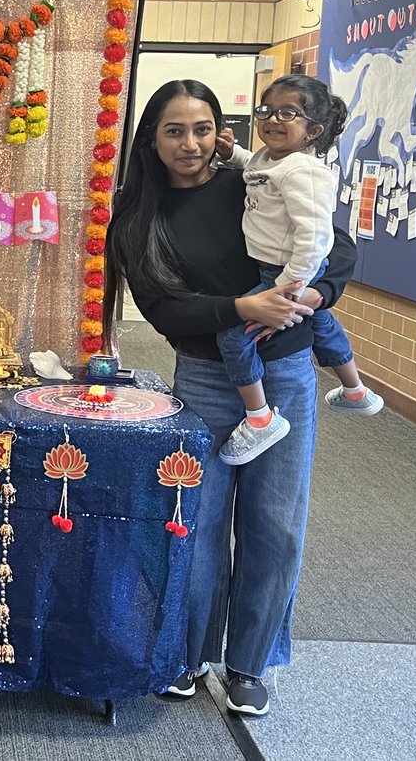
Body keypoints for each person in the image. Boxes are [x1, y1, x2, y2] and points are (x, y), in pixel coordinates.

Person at [104, 80, 357, 716]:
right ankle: (185, 654)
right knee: (197, 522)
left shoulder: (258, 180)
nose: (190, 144)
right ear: (151, 139)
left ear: (221, 131)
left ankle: (250, 663)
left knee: (274, 523)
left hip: (287, 371)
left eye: (202, 128)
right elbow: (164, 309)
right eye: (173, 130)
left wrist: (312, 298)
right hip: (205, 379)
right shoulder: (139, 213)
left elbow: (338, 247)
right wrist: (243, 306)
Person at [213, 74, 382, 465]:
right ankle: (355, 390)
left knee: (233, 335)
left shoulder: (304, 172)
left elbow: (317, 237)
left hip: (286, 271)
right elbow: (252, 170)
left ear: (313, 131)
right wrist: (231, 152)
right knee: (321, 321)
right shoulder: (270, 159)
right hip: (276, 268)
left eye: (289, 113)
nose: (273, 119)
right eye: (266, 110)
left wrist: (290, 290)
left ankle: (259, 417)